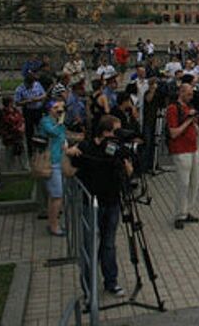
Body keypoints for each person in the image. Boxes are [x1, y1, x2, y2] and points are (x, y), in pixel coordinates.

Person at [68, 114, 133, 297]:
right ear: (105, 132)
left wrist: (128, 165)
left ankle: (111, 282)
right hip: (92, 204)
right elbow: (69, 169)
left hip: (112, 202)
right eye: (116, 131)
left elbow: (128, 170)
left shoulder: (116, 149)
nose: (119, 135)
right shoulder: (86, 147)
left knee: (109, 244)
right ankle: (88, 288)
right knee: (90, 246)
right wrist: (68, 153)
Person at [38, 99, 80, 236]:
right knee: (57, 195)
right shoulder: (46, 122)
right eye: (56, 108)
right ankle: (54, 226)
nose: (59, 110)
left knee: (55, 195)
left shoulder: (57, 122)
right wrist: (61, 119)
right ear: (49, 109)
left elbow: (63, 137)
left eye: (61, 108)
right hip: (51, 162)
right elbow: (54, 133)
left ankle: (52, 222)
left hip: (59, 160)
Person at [167, 84, 199, 230]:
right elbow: (173, 132)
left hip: (193, 148)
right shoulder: (173, 109)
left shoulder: (188, 107)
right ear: (181, 93)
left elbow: (194, 127)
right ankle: (179, 214)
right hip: (181, 150)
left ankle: (188, 210)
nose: (190, 97)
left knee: (194, 182)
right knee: (183, 183)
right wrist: (188, 121)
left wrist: (194, 121)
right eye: (188, 94)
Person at [14, 73, 47, 158]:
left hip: (38, 110)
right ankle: (30, 152)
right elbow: (17, 102)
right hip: (28, 111)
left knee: (41, 130)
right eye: (29, 85)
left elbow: (44, 95)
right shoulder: (20, 89)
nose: (31, 86)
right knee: (29, 132)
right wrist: (27, 101)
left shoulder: (37, 85)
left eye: (32, 84)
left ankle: (42, 150)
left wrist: (37, 99)